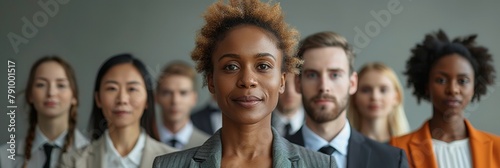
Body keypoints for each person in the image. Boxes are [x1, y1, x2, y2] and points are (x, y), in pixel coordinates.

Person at [153, 0, 336, 167]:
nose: (247, 80)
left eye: (263, 66)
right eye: (231, 67)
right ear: (211, 81)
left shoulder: (322, 165)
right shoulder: (168, 165)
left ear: (282, 81)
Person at [287, 31, 408, 168]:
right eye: (312, 75)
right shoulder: (269, 156)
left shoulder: (391, 161)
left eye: (335, 75)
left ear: (352, 83)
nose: (324, 87)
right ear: (298, 83)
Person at [390, 30, 500, 168]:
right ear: (426, 85)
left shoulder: (497, 148)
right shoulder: (398, 148)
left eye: (463, 81)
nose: (453, 89)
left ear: (475, 87)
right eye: (441, 80)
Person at [59, 54, 176, 168]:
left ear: (147, 100)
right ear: (98, 99)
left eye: (132, 89)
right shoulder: (73, 161)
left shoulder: (174, 160)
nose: (122, 99)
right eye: (112, 88)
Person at [0, 56, 89, 168]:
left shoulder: (94, 155)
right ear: (30, 95)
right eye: (41, 85)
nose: (51, 93)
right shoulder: (4, 157)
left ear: (74, 96)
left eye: (61, 85)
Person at [347, 62, 410, 143]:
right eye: (366, 90)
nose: (375, 97)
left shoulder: (409, 147)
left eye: (383, 90)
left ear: (397, 97)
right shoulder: (342, 147)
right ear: (354, 97)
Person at [155, 60, 209, 150]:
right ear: (156, 97)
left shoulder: (210, 146)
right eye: (167, 93)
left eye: (183, 93)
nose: (175, 101)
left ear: (194, 98)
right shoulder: (142, 143)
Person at [272, 72, 305, 138]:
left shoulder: (315, 125)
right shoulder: (259, 125)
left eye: (296, 83)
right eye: (283, 84)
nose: (290, 92)